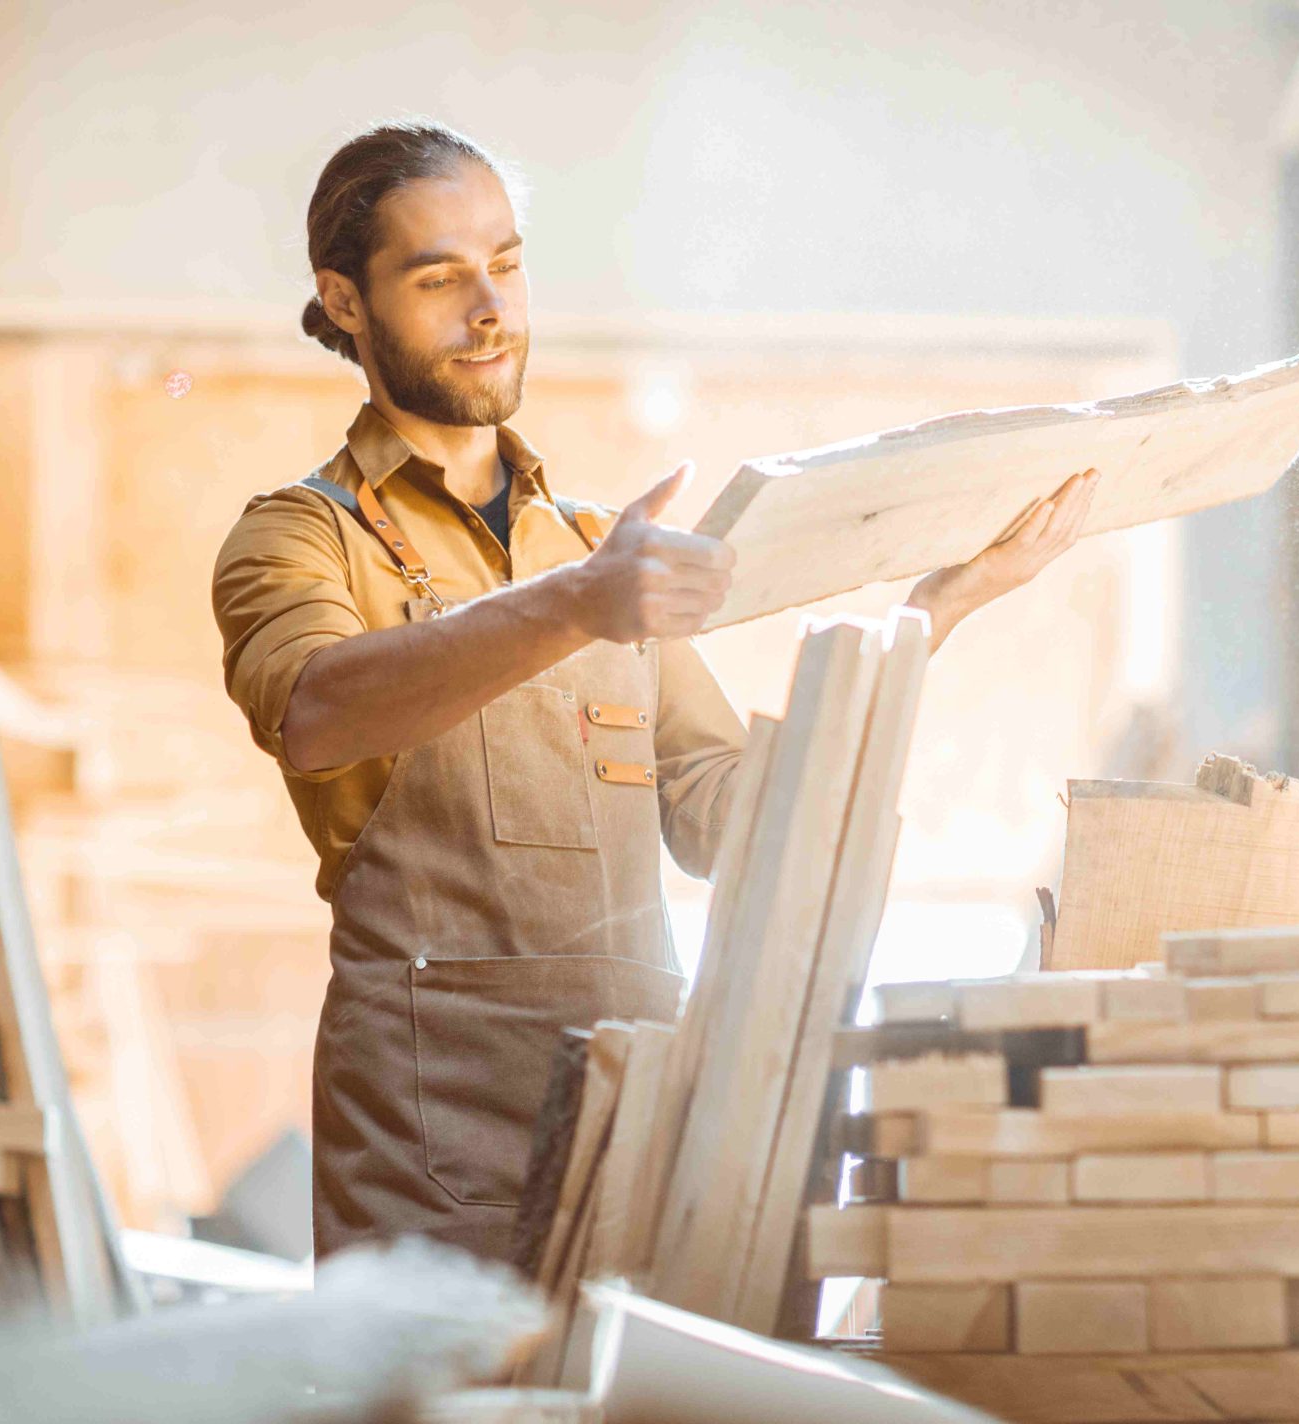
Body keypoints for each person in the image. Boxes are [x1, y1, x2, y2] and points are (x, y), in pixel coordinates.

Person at [211, 119, 1097, 1263]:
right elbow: (316, 710)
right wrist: (578, 606)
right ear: (342, 299)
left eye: (509, 264)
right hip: (435, 1148)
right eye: (440, 277)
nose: (492, 309)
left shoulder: (591, 546)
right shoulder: (300, 536)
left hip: (640, 1111)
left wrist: (932, 613)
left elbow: (727, 821)